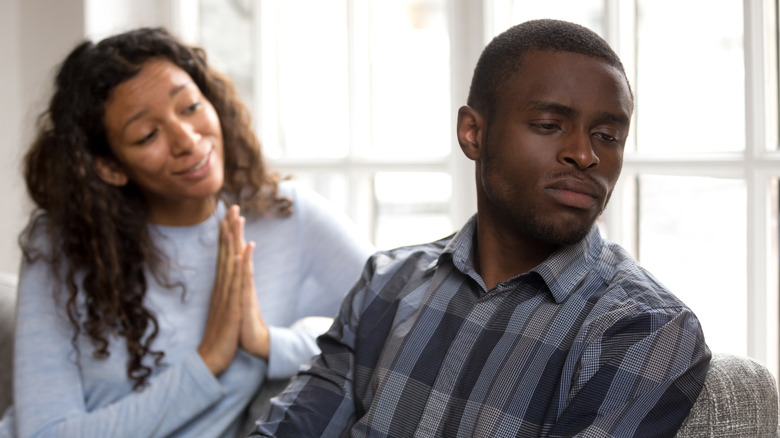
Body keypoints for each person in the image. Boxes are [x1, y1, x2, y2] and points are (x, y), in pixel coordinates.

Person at [250, 19, 711, 437]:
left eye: (607, 136)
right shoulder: (386, 284)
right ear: (473, 133)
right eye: (550, 124)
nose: (585, 155)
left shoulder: (646, 330)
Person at [0, 27, 373, 438]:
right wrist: (208, 359)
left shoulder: (284, 216)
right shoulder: (61, 244)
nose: (188, 140)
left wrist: (268, 344)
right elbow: (42, 432)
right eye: (147, 135)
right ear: (110, 167)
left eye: (191, 106)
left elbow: (403, 322)